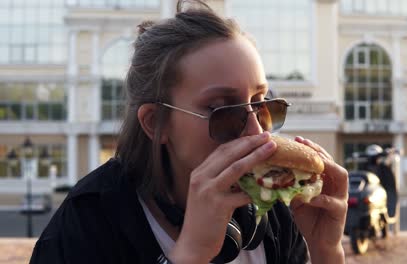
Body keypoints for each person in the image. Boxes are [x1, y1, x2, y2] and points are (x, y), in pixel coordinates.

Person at [30, 1, 348, 263]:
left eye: (261, 103)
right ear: (156, 123)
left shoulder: (274, 210)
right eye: (224, 110)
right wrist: (191, 253)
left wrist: (325, 250)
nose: (256, 131)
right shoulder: (86, 226)